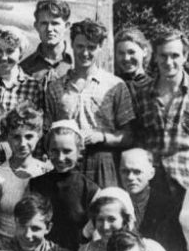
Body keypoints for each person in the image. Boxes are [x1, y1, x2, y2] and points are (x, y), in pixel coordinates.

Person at [132, 27, 189, 215]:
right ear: (155, 57)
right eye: (163, 56)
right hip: (151, 187)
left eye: (175, 56)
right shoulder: (142, 95)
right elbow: (137, 140)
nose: (168, 62)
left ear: (185, 57)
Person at [45, 19, 134, 188]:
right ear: (72, 45)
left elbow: (128, 136)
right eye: (80, 46)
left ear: (100, 47)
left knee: (104, 203)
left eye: (91, 47)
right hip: (65, 163)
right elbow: (47, 132)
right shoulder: (55, 87)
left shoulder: (115, 85)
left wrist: (102, 137)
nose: (85, 53)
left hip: (102, 162)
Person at [0, 104, 51, 247]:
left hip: (36, 247)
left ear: (39, 136)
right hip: (5, 245)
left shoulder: (46, 171)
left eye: (29, 136)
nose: (22, 143)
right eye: (16, 137)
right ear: (7, 137)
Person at [30, 120, 99, 251]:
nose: (60, 158)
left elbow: (93, 233)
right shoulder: (37, 185)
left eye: (67, 151)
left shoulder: (90, 190)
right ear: (48, 151)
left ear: (79, 151)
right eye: (54, 151)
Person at [118, 147, 185, 251]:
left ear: (151, 173)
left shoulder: (169, 207)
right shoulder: (114, 203)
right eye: (125, 171)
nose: (130, 177)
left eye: (137, 172)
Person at [20, 0, 73, 85]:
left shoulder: (78, 63)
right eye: (44, 23)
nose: (49, 29)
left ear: (66, 26)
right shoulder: (24, 68)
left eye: (55, 23)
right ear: (36, 26)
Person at [114, 27, 153, 98]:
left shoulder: (154, 87)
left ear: (144, 52)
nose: (126, 58)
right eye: (121, 53)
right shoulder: (112, 87)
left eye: (131, 52)